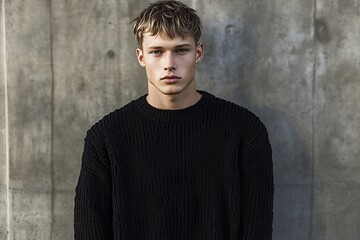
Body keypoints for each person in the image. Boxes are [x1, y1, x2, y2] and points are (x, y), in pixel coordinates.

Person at [74, 1, 274, 239]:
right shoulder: (105, 139)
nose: (169, 64)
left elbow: (256, 230)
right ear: (141, 57)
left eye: (181, 50)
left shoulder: (245, 132)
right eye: (156, 51)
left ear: (198, 53)